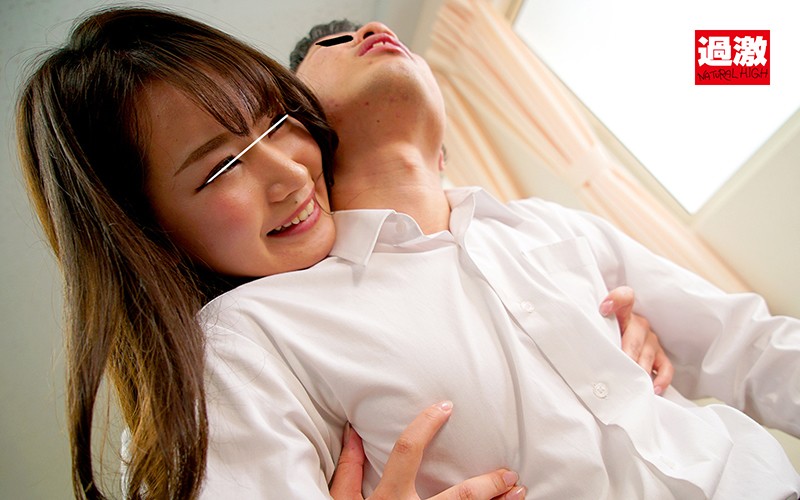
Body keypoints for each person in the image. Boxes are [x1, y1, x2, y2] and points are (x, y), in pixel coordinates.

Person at [192, 19, 800, 498]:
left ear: (443, 146)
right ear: (300, 130)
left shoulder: (555, 224)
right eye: (336, 43)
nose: (373, 31)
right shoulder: (261, 327)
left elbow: (749, 345)